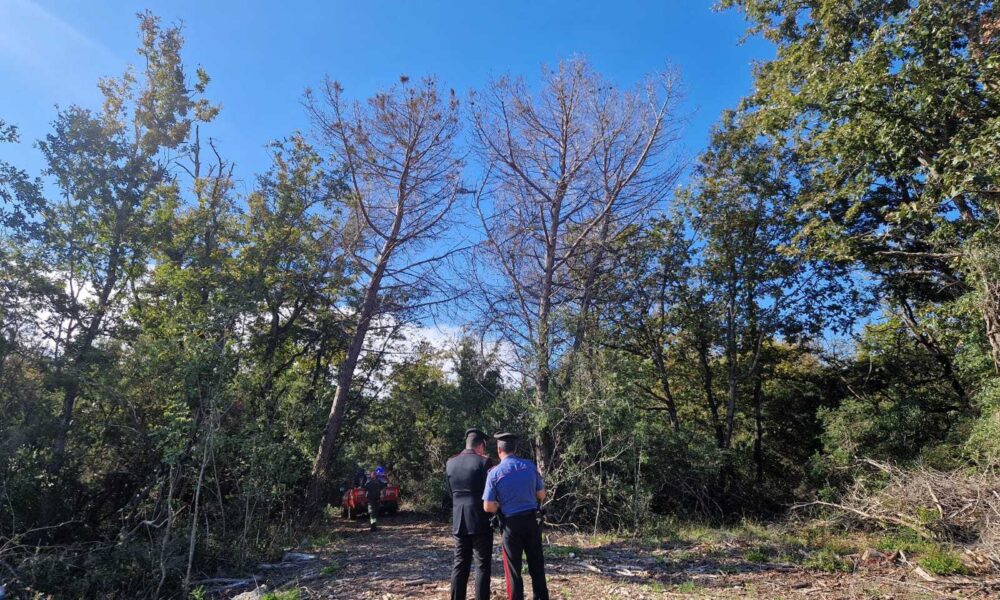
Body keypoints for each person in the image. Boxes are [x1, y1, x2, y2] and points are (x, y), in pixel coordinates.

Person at [483, 432, 549, 600]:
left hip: (511, 525)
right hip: (531, 522)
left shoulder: (494, 473)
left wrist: (499, 506)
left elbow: (488, 506)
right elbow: (541, 494)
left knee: (513, 571)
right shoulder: (529, 466)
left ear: (499, 450)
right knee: (537, 567)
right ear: (515, 449)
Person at [445, 428, 494, 600]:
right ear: (481, 445)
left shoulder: (450, 463)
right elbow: (490, 492)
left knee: (460, 565)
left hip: (459, 519)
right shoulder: (484, 462)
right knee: (482, 566)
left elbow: (450, 492)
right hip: (480, 520)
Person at [364, 466, 387, 531]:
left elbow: (384, 486)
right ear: (371, 476)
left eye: (374, 474)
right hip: (371, 500)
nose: (374, 476)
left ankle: (374, 526)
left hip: (377, 500)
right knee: (372, 514)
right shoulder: (369, 483)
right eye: (373, 474)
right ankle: (373, 527)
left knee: (375, 513)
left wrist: (382, 494)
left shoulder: (378, 482)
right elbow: (365, 489)